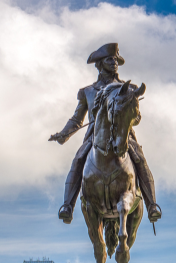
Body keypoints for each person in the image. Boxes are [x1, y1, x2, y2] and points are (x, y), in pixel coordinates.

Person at [49, 43, 160, 225]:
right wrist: (64, 134)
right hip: (95, 136)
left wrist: (129, 117)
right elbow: (77, 119)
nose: (114, 62)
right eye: (110, 59)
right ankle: (68, 206)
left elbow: (137, 118)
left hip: (123, 135)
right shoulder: (87, 92)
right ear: (100, 64)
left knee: (140, 159)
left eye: (116, 60)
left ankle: (152, 205)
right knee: (78, 160)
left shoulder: (128, 88)